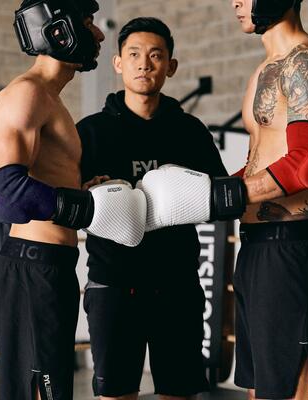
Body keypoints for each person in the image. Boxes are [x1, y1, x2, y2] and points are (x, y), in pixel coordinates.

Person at [0, 1, 148, 399]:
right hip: (31, 266)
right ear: (60, 31)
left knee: (52, 386)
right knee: (38, 389)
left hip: (52, 266)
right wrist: (85, 208)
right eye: (89, 23)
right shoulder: (25, 94)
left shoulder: (51, 99)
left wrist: (83, 190)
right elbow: (4, 195)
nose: (99, 34)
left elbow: (44, 180)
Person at [77, 17, 229, 400]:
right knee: (116, 394)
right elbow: (66, 201)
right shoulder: (92, 132)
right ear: (118, 63)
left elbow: (222, 200)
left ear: (171, 66)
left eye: (156, 56)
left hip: (177, 285)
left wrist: (188, 197)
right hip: (113, 284)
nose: (144, 64)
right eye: (134, 55)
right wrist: (88, 196)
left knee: (179, 393)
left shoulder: (190, 131)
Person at [228, 0, 308, 398]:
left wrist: (229, 194)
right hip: (257, 247)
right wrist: (201, 193)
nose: (236, 2)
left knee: (293, 387)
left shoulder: (306, 63)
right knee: (260, 387)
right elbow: (261, 161)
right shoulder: (264, 68)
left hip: (291, 246)